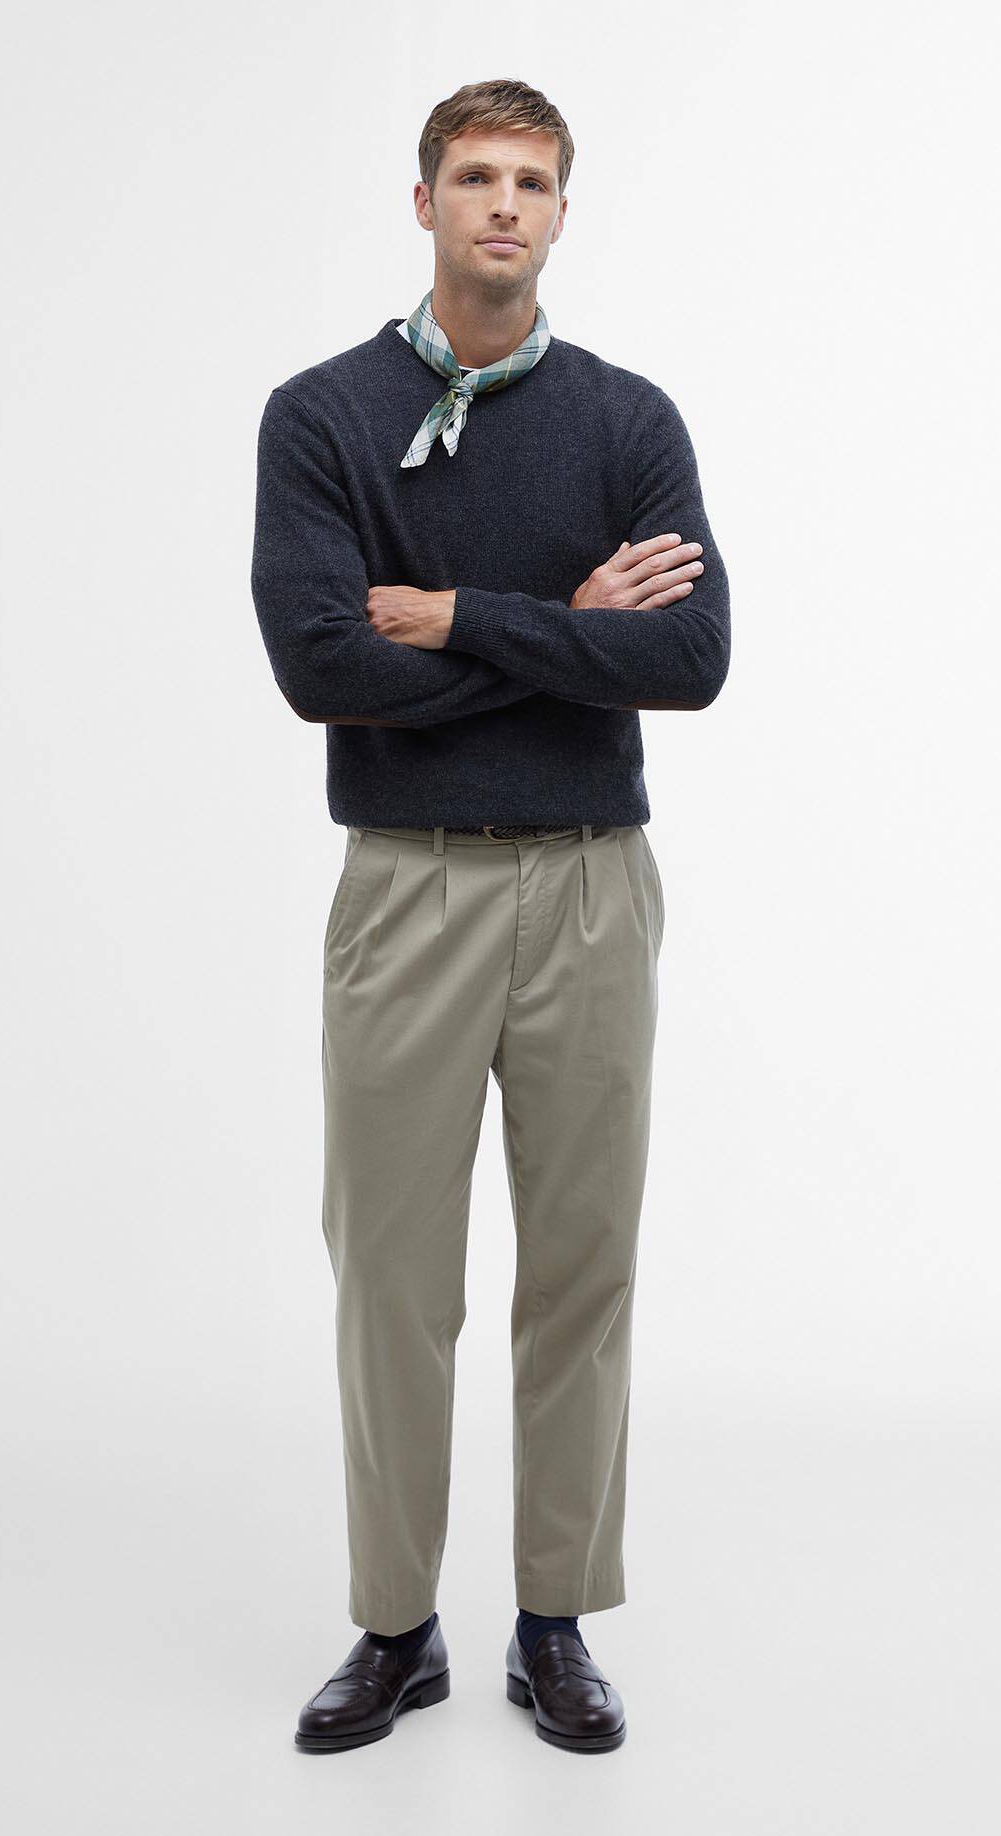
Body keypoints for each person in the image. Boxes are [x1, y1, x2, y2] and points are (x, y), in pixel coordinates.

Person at [251, 78, 730, 1755]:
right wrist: (565, 628)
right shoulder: (320, 418)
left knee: (582, 1267)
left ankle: (553, 1622)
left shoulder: (629, 421)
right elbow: (322, 668)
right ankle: (397, 1626)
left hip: (594, 879)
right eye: (474, 177)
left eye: (532, 180)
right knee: (392, 1276)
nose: (504, 205)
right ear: (425, 203)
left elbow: (691, 660)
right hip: (409, 882)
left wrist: (455, 616)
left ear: (563, 212)